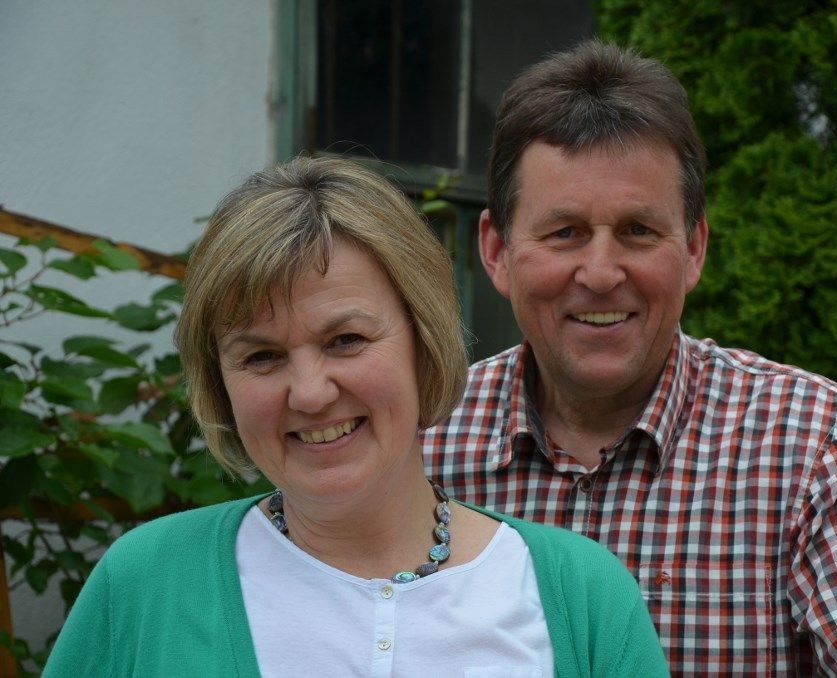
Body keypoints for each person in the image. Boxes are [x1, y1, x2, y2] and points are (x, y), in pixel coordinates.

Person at [421, 41, 837, 675]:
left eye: (638, 231)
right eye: (566, 233)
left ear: (693, 248)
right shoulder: (423, 445)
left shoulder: (808, 448)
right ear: (497, 250)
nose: (603, 272)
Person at [43, 157, 669, 677]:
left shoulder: (584, 598)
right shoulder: (145, 585)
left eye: (346, 340)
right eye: (262, 356)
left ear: (423, 345)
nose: (311, 394)